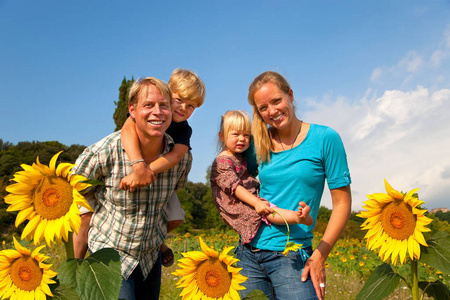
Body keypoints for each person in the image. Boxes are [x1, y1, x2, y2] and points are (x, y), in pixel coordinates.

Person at [71, 77, 192, 300]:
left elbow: (171, 196)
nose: (158, 112)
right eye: (148, 105)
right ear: (132, 110)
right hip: (109, 255)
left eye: (163, 105)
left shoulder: (181, 160)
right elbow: (71, 189)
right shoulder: (104, 152)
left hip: (149, 256)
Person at [237, 71, 352, 300]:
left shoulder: (325, 138)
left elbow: (342, 205)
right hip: (247, 256)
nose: (272, 111)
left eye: (277, 101)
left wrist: (319, 256)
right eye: (263, 108)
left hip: (291, 256)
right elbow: (231, 177)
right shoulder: (256, 143)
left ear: (290, 95)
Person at [120, 68, 205, 267]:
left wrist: (148, 170)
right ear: (167, 93)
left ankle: (156, 242)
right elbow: (126, 130)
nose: (183, 108)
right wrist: (138, 166)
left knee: (176, 217)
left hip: (161, 178)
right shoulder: (151, 115)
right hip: (133, 168)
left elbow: (176, 155)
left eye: (191, 105)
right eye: (179, 99)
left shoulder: (184, 129)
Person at [210, 110, 313, 245]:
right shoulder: (223, 161)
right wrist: (256, 202)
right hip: (237, 201)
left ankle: (298, 217)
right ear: (222, 136)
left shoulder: (239, 155)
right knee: (267, 211)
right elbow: (235, 188)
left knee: (269, 208)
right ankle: (297, 217)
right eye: (235, 134)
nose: (242, 139)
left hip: (248, 195)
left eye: (246, 135)